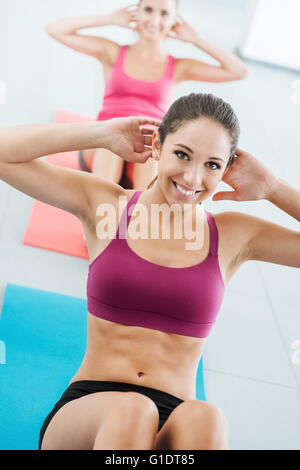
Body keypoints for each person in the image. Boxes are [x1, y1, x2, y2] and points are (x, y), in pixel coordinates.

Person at [0, 93, 299, 451]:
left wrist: (274, 189)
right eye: (182, 154)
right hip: (89, 411)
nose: (193, 176)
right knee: (133, 409)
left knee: (207, 417)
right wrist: (98, 134)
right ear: (157, 145)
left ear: (226, 169)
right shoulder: (105, 205)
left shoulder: (236, 235)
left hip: (175, 419)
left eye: (212, 165)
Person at [45, 0, 248, 189]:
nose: (154, 20)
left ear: (174, 21)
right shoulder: (112, 52)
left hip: (147, 152)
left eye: (164, 14)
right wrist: (109, 19)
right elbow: (54, 29)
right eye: (148, 10)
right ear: (137, 12)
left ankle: (138, 217)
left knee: (151, 145)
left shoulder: (178, 67)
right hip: (104, 146)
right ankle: (101, 216)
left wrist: (196, 39)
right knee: (111, 140)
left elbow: (238, 71)